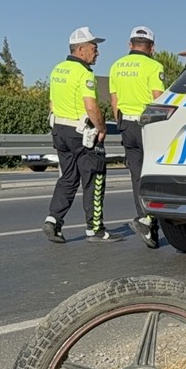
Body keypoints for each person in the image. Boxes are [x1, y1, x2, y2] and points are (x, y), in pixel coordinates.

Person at [42, 27, 121, 243]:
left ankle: (53, 220)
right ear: (80, 49)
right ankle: (95, 229)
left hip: (60, 130)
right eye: (94, 48)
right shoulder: (84, 73)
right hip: (81, 133)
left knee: (68, 177)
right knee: (94, 177)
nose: (97, 53)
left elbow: (52, 103)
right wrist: (102, 129)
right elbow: (91, 106)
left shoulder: (57, 70)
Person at [110, 26, 166, 249]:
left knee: (137, 175)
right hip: (147, 125)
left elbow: (114, 102)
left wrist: (121, 125)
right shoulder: (154, 66)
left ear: (130, 45)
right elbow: (158, 98)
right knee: (155, 172)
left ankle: (144, 219)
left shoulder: (116, 66)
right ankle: (151, 220)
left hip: (126, 125)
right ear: (152, 47)